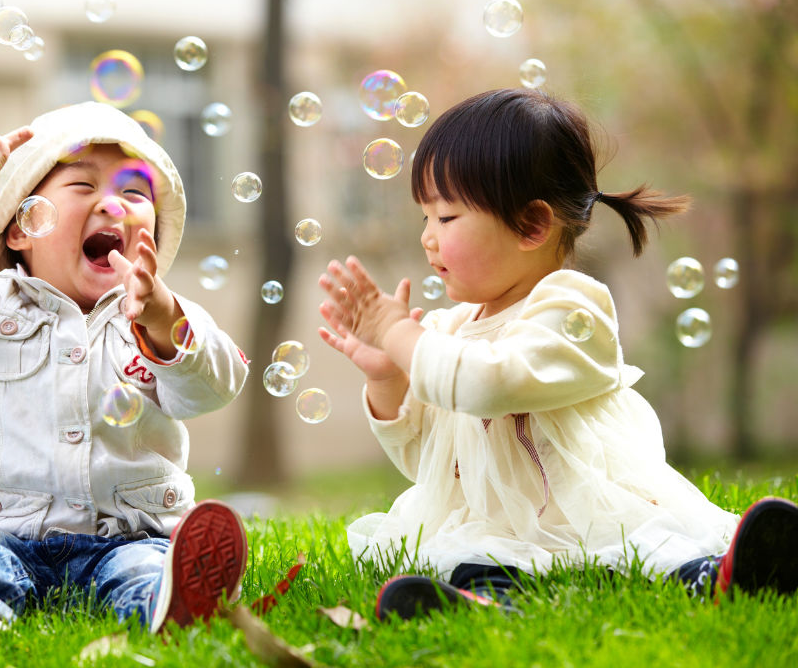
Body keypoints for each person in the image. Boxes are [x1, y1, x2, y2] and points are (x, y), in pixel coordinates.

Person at [316, 88, 798, 618]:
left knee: (647, 554)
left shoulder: (571, 309)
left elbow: (489, 385)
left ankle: (721, 575)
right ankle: (480, 602)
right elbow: (428, 462)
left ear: (532, 225)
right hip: (496, 531)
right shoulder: (448, 328)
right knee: (477, 561)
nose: (428, 238)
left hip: (586, 518)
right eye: (425, 217)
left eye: (447, 218)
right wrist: (387, 379)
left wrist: (399, 336)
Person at [0, 83, 251, 651]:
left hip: (128, 533)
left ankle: (168, 602)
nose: (112, 203)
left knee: (144, 566)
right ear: (21, 228)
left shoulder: (160, 319)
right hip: (3, 527)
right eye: (83, 184)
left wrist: (166, 325)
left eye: (135, 193)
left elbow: (215, 386)